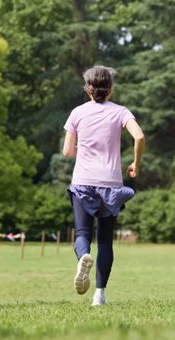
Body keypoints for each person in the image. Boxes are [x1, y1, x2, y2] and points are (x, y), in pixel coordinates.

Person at [62, 66, 145, 306]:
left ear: (88, 90)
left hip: (83, 182)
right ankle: (99, 295)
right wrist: (135, 163)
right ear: (110, 89)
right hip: (110, 184)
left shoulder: (77, 112)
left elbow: (68, 151)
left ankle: (82, 259)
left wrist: (86, 149)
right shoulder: (120, 112)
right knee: (106, 240)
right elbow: (139, 136)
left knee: (82, 234)